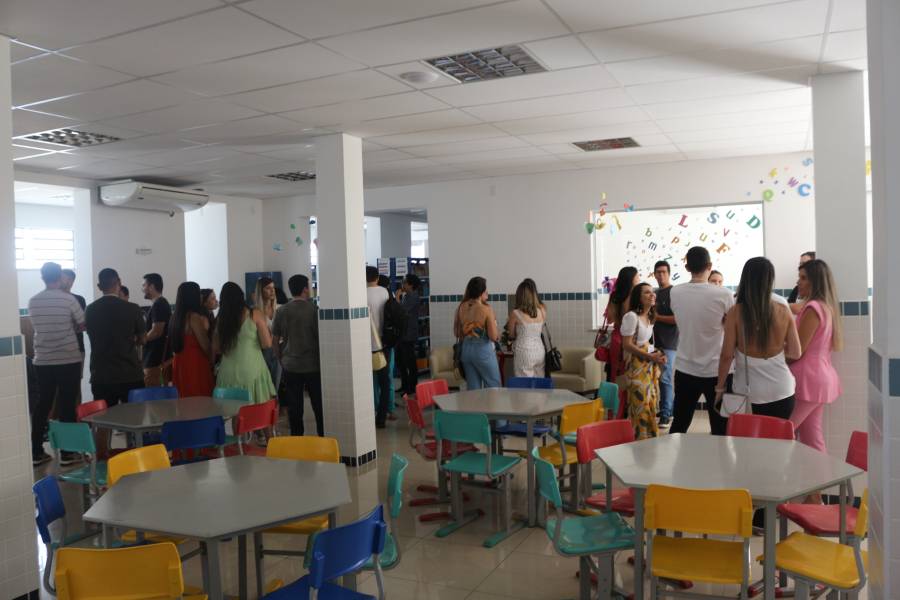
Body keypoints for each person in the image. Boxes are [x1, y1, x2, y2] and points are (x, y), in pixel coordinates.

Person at [716, 258, 801, 421]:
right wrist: (775, 351)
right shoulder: (783, 310)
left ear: (745, 279)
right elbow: (796, 352)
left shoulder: (735, 313)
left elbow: (726, 356)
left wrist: (719, 388)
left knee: (747, 437)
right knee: (777, 437)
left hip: (748, 393)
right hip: (783, 390)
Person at [669, 246, 735, 435]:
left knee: (679, 424)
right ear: (709, 266)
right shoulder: (724, 294)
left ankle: (673, 455)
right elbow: (732, 329)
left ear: (687, 267)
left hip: (685, 368)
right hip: (717, 371)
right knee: (720, 428)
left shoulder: (675, 292)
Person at [28, 262, 86, 466]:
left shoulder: (33, 301)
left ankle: (36, 452)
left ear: (42, 277)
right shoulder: (68, 299)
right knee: (67, 404)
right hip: (68, 359)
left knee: (43, 404)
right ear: (60, 277)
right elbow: (82, 324)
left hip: (42, 360)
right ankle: (68, 454)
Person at [789, 259, 843, 456]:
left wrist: (772, 359)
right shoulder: (825, 307)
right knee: (812, 437)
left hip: (809, 380)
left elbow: (798, 351)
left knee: (783, 431)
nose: (798, 282)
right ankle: (820, 477)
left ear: (815, 282)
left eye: (803, 278)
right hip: (818, 379)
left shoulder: (812, 308)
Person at [85, 268, 145, 406]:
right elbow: (143, 339)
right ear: (119, 282)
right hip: (130, 373)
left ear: (99, 286)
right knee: (135, 416)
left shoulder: (90, 309)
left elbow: (91, 334)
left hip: (101, 375)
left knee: (104, 417)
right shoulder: (133, 308)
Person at [273, 275, 323, 436]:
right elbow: (320, 337)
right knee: (318, 405)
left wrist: (281, 359)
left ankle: (297, 439)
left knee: (294, 407)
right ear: (305, 289)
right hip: (313, 365)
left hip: (290, 365)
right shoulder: (314, 310)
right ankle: (323, 437)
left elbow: (275, 340)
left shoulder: (281, 311)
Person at [214, 282, 277, 406]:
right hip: (252, 369)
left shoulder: (221, 319)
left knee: (232, 411)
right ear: (241, 296)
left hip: (227, 372)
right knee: (257, 409)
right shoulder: (255, 314)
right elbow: (267, 344)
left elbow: (217, 349)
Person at [621, 283, 666, 439]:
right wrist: (650, 356)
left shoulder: (649, 317)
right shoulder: (631, 317)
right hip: (635, 369)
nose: (652, 295)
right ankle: (639, 442)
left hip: (647, 368)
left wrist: (657, 354)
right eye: (647, 293)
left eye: (652, 292)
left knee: (650, 404)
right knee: (640, 407)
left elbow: (646, 344)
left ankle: (648, 441)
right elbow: (627, 344)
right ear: (638, 298)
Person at [454, 277, 501, 390]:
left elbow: (457, 332)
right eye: (485, 289)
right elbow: (493, 336)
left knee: (473, 390)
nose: (487, 292)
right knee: (493, 387)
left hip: (466, 351)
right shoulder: (486, 309)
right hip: (482, 351)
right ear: (481, 292)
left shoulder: (461, 307)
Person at [169, 282, 214, 398]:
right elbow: (205, 345)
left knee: (184, 398)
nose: (201, 296)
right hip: (195, 364)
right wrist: (213, 359)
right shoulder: (193, 317)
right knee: (199, 398)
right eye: (198, 293)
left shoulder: (175, 317)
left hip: (180, 363)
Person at [603, 266, 641, 388]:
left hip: (616, 338)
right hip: (630, 339)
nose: (639, 278)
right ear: (631, 278)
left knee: (616, 371)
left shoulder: (614, 296)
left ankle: (615, 397)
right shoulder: (635, 296)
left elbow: (609, 319)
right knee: (630, 371)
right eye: (637, 276)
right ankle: (625, 398)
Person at [652, 261, 677, 428]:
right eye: (658, 272)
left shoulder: (674, 293)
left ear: (669, 273)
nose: (661, 275)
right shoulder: (654, 293)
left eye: (664, 272)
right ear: (654, 274)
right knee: (659, 378)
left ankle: (666, 415)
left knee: (666, 378)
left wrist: (657, 317)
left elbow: (677, 319)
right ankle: (667, 409)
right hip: (654, 342)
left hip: (669, 342)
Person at [367, 266, 391, 428]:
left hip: (364, 344)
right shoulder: (385, 292)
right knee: (384, 381)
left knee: (367, 381)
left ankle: (368, 414)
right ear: (377, 277)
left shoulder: (360, 293)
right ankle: (382, 416)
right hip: (383, 343)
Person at [508, 279, 546, 377]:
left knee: (524, 384)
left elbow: (511, 335)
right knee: (539, 381)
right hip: (539, 350)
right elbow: (540, 330)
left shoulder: (515, 313)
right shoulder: (542, 311)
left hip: (524, 351)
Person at [141, 273, 172, 387]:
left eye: (144, 285)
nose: (142, 289)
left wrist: (141, 340)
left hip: (155, 360)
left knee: (153, 394)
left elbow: (156, 331)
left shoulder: (159, 304)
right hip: (155, 359)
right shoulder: (159, 304)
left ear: (152, 286)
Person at [377, 275, 400, 417]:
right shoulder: (389, 296)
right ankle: (390, 409)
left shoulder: (365, 294)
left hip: (374, 343)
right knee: (388, 377)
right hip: (388, 342)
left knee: (375, 378)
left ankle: (377, 408)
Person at [395, 274, 421, 396]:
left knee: (409, 362)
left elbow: (401, 311)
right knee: (400, 360)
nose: (403, 285)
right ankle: (404, 385)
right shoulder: (407, 296)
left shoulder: (414, 297)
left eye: (405, 282)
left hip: (409, 334)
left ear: (411, 285)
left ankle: (412, 387)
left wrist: (397, 298)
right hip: (403, 333)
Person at [254, 277, 280, 392]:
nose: (272, 291)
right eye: (268, 288)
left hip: (279, 349)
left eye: (273, 288)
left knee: (277, 384)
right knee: (265, 385)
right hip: (262, 351)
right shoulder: (255, 311)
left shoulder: (279, 309)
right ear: (261, 291)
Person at [60, 269, 87, 360]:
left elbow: (83, 325)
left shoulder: (80, 299)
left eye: (62, 278)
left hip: (77, 348)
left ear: (70, 281)